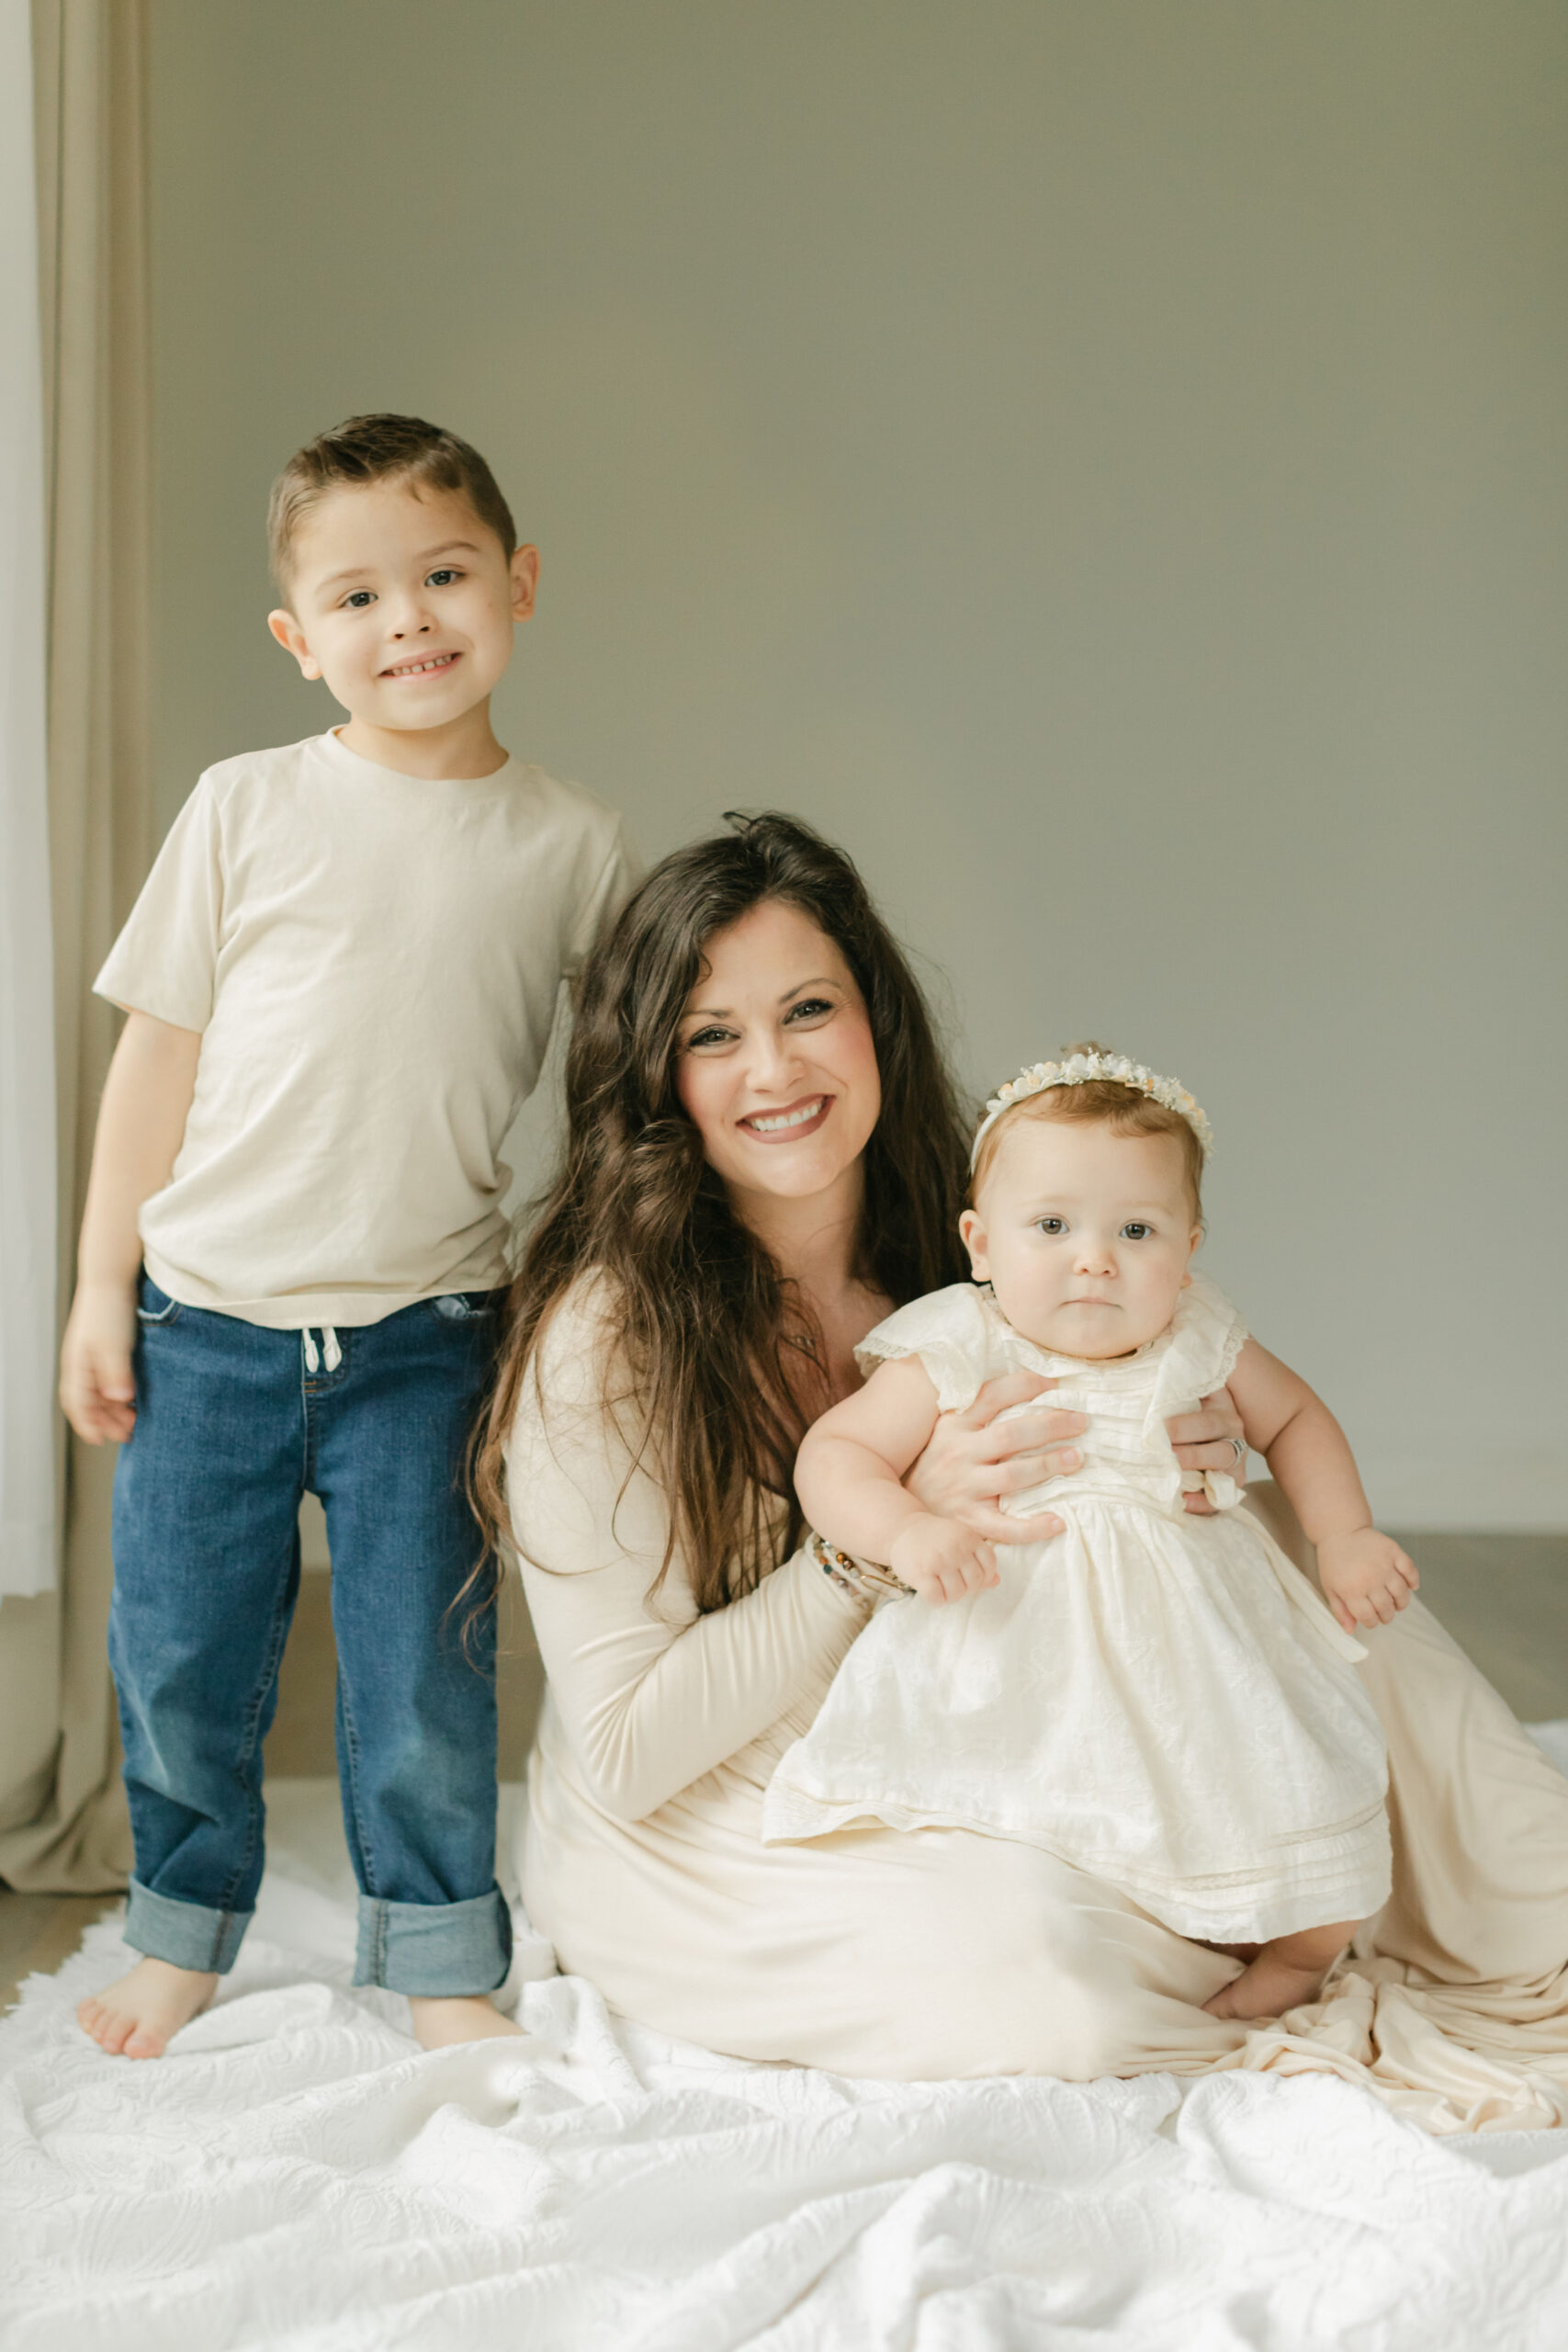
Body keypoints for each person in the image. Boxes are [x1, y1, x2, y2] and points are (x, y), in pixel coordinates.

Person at [482, 813, 1568, 2125]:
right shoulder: (604, 1338)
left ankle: (1518, 1902)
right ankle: (1245, 1917)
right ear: (655, 1073)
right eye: (712, 1033)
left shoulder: (979, 1237)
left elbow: (1207, 1433)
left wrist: (1195, 1467)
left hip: (987, 1682)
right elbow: (626, 1752)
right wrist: (868, 1546)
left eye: (808, 1009)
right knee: (1049, 1976)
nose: (771, 1068)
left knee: (1310, 1586)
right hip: (712, 1803)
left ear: (875, 1019)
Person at [60, 413, 638, 2059]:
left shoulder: (570, 843)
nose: (408, 621)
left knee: (425, 1677)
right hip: (205, 1328)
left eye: (444, 575)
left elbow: (618, 1087)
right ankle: (181, 1930)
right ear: (298, 643)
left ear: (517, 585)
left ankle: (443, 1956)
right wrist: (101, 1289)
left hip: (429, 1336)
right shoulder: (244, 809)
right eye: (359, 597)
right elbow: (153, 1059)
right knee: (178, 1654)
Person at [768, 1046, 1416, 2021]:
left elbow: (1295, 1421)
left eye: (1137, 1228)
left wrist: (1346, 1532)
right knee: (1011, 1814)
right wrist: (903, 1530)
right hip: (1013, 1639)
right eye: (1054, 1225)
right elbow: (835, 1454)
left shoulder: (1199, 1332)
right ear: (981, 1245)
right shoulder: (959, 1341)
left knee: (1280, 1784)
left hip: (1196, 1652)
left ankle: (1294, 1957)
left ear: (1190, 1247)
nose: (1095, 1256)